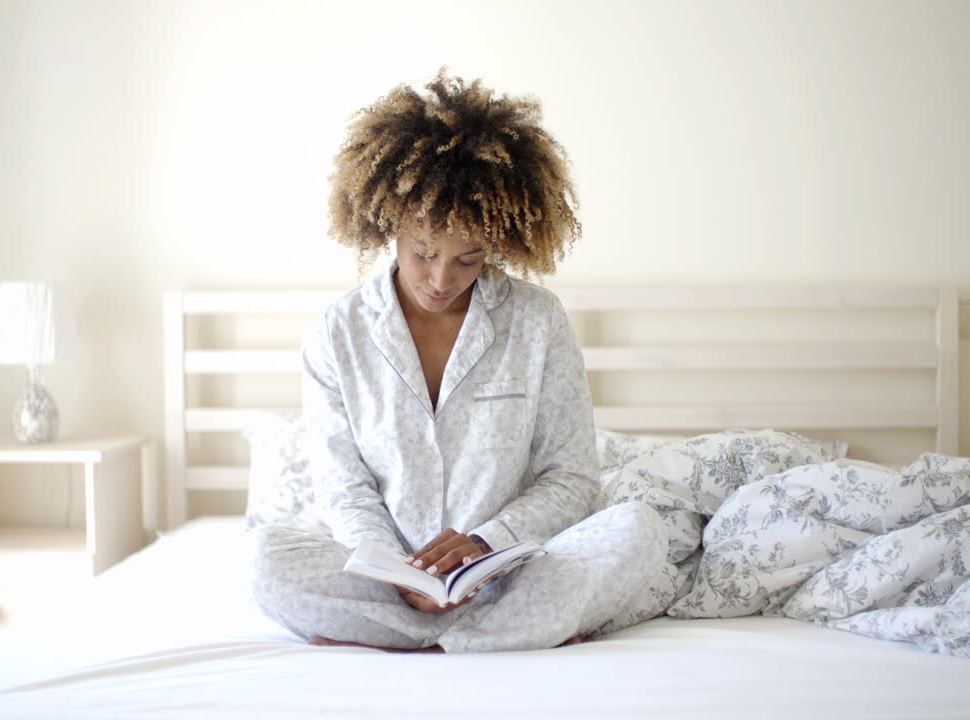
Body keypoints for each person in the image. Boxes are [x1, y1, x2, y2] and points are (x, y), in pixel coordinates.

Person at [251, 70, 665, 652]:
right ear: (388, 223)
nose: (441, 279)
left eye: (468, 260)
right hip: (385, 580)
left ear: (497, 244)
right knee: (266, 560)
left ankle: (413, 637)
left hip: (511, 574)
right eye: (423, 252)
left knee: (641, 529)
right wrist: (395, 570)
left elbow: (571, 478)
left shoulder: (538, 321)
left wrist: (486, 544)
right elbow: (344, 488)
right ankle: (503, 635)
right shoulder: (337, 332)